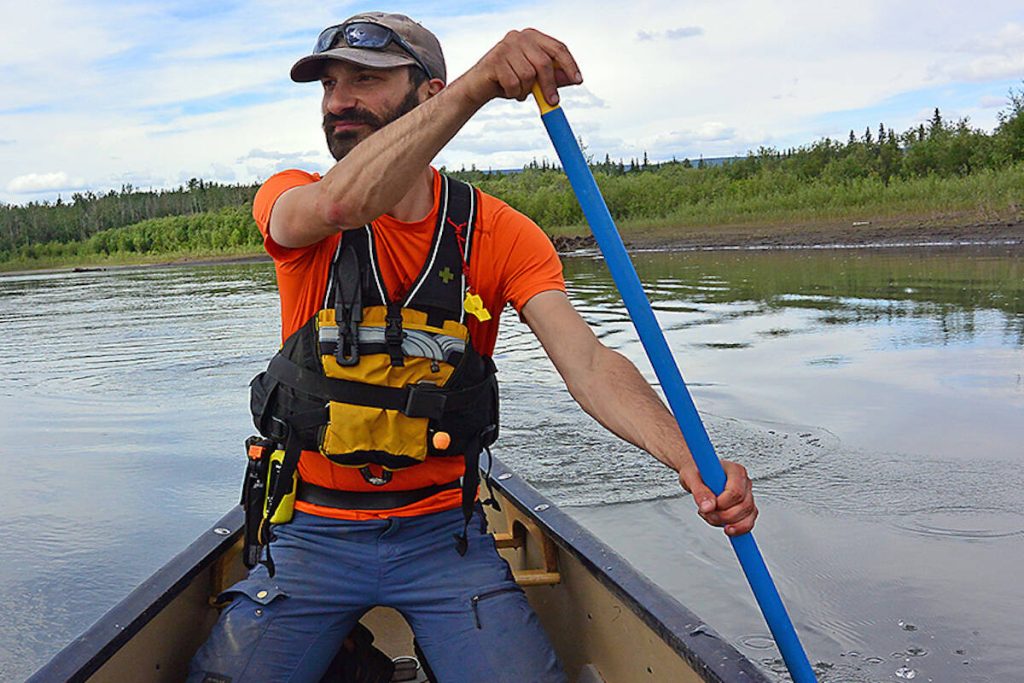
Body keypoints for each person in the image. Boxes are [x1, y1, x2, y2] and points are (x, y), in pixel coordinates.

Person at [189, 11, 757, 683]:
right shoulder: (294, 199)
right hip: (311, 531)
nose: (339, 99)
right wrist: (482, 82)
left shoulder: (499, 231)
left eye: (366, 79)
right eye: (330, 83)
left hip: (441, 536)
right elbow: (342, 206)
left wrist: (689, 458)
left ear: (429, 95)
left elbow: (592, 364)